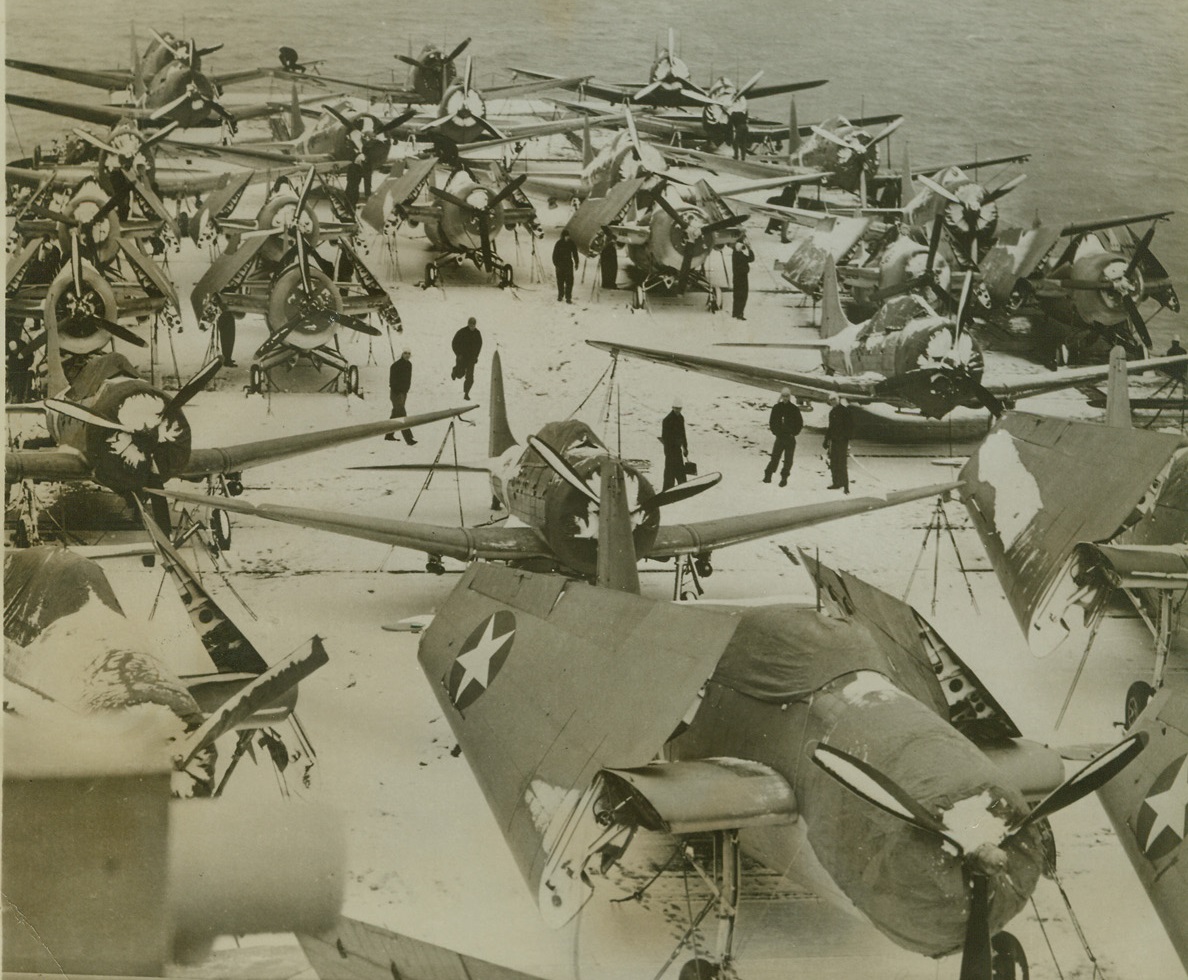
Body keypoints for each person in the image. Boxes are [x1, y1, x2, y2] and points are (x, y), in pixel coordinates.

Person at [763, 388, 803, 487]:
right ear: (781, 396)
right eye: (784, 396)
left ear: (789, 397)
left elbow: (799, 423)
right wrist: (776, 432)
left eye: (787, 396)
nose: (785, 398)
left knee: (788, 460)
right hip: (780, 437)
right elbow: (772, 421)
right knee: (775, 457)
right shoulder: (777, 407)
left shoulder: (794, 408)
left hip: (790, 438)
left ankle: (784, 478)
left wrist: (794, 433)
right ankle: (768, 475)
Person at [385, 349, 417, 444]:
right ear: (401, 354)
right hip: (396, 393)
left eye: (409, 353)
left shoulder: (409, 365)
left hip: (403, 393)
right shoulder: (395, 365)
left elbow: (408, 379)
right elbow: (392, 381)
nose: (407, 355)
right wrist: (398, 391)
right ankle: (409, 439)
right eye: (405, 353)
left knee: (396, 414)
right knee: (402, 414)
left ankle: (389, 435)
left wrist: (406, 390)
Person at [824, 396, 855, 493]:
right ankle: (836, 482)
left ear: (837, 400)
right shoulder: (832, 412)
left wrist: (846, 438)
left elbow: (850, 426)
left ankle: (846, 486)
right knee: (834, 463)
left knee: (842, 463)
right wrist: (826, 440)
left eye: (834, 400)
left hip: (842, 441)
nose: (832, 402)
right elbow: (830, 427)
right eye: (831, 400)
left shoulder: (845, 411)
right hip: (834, 441)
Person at [451, 317, 483, 399]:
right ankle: (455, 371)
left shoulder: (477, 334)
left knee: (470, 377)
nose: (472, 327)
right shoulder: (462, 332)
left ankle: (466, 393)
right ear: (468, 324)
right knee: (460, 374)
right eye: (470, 325)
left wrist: (476, 356)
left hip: (471, 359)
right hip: (462, 358)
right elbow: (454, 343)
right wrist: (458, 354)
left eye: (473, 325)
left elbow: (479, 346)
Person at [660, 399, 688, 491]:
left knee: (680, 469)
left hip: (677, 449)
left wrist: (685, 447)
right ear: (672, 408)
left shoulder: (681, 418)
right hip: (670, 450)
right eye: (676, 408)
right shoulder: (667, 420)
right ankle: (667, 490)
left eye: (679, 409)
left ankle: (683, 488)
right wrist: (669, 450)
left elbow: (683, 434)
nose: (678, 411)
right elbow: (665, 437)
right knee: (669, 472)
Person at [552, 229, 579, 303]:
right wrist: (556, 264)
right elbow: (554, 255)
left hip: (568, 265)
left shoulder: (571, 243)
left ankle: (568, 297)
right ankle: (560, 295)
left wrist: (577, 263)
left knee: (569, 282)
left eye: (568, 236)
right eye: (566, 236)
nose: (568, 237)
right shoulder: (558, 243)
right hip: (560, 266)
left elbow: (575, 253)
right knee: (560, 281)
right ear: (563, 236)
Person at [731, 238, 754, 320]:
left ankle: (736, 313)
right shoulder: (739, 255)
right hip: (741, 278)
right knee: (742, 296)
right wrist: (749, 248)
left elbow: (751, 259)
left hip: (738, 278)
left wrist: (748, 248)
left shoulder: (737, 254)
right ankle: (739, 313)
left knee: (737, 296)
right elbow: (751, 259)